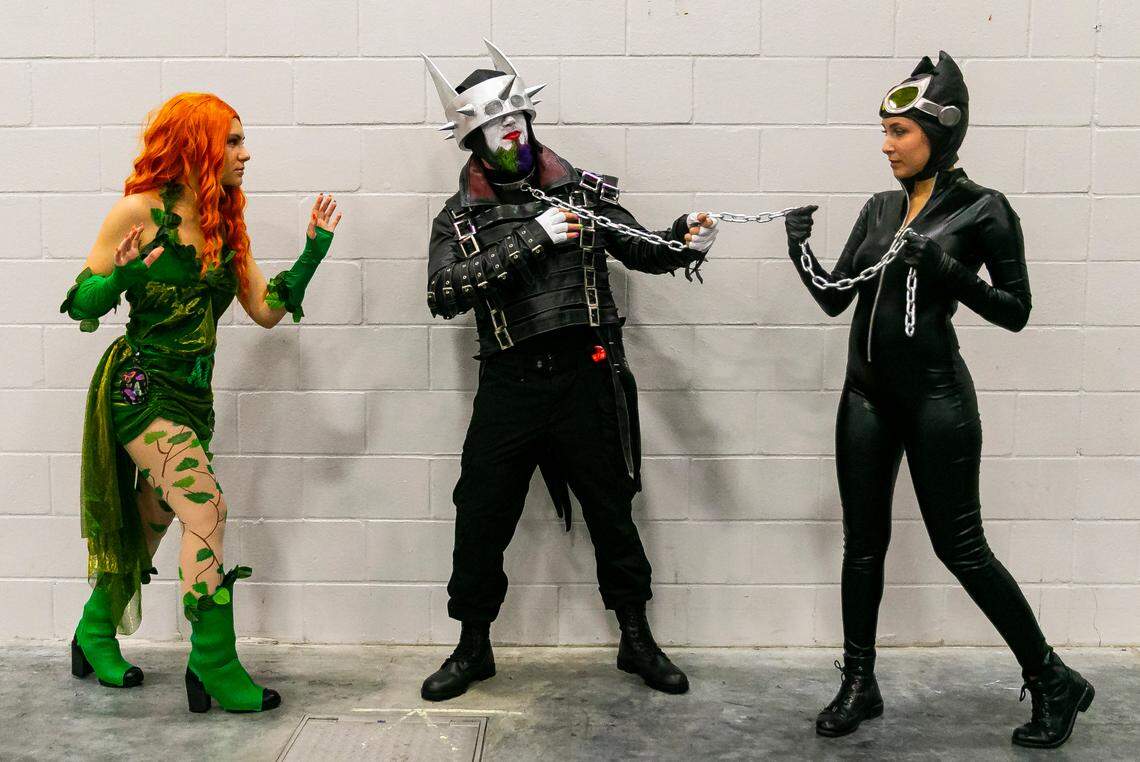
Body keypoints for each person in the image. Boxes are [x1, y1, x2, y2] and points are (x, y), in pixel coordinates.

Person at [781, 52, 1093, 749]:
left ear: (940, 132)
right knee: (862, 544)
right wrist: (799, 249)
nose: (886, 144)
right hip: (865, 396)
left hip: (934, 399)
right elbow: (837, 298)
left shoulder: (984, 209)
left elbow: (1016, 310)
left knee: (964, 549)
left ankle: (1052, 678)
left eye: (899, 131)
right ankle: (859, 682)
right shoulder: (880, 208)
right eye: (884, 131)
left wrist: (949, 267)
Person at [419, 40, 718, 702]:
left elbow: (644, 248)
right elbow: (442, 294)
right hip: (511, 382)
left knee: (613, 509)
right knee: (480, 511)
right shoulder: (460, 218)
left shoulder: (580, 190)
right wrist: (536, 236)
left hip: (587, 376)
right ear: (472, 138)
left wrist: (684, 240)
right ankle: (473, 646)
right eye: (499, 127)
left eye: (520, 120)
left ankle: (635, 638)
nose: (515, 135)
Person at [61, 93, 341, 713]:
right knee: (206, 507)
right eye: (233, 141)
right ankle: (212, 662)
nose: (245, 154)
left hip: (193, 397)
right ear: (195, 146)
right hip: (139, 388)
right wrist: (124, 277)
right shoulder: (137, 212)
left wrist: (313, 251)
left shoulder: (224, 224)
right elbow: (81, 304)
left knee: (157, 515)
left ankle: (93, 628)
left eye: (243, 142)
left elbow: (266, 311)